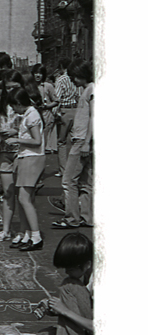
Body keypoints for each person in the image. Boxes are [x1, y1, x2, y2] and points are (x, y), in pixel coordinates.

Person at [36, 232, 93, 335]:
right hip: (89, 331)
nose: (67, 272)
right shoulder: (86, 274)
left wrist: (64, 310)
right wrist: (53, 308)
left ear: (87, 264)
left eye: (71, 268)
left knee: (69, 285)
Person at [52, 61, 93, 229]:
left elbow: (94, 117)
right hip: (84, 139)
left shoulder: (91, 90)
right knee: (85, 182)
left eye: (74, 77)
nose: (73, 81)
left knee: (68, 180)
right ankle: (87, 217)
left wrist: (86, 143)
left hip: (82, 140)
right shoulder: (88, 90)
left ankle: (71, 218)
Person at [5, 86, 45, 251]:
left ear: (19, 103)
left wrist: (17, 140)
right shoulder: (28, 115)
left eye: (14, 105)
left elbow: (37, 140)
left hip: (32, 157)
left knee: (24, 199)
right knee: (24, 199)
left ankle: (36, 236)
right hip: (26, 157)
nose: (13, 109)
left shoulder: (32, 116)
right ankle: (27, 232)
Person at [54, 57, 80, 177]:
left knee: (61, 142)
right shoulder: (76, 78)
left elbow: (57, 98)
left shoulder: (60, 79)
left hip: (64, 110)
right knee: (75, 140)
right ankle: (75, 169)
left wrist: (55, 112)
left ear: (61, 67)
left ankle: (64, 170)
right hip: (76, 109)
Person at [32, 63, 58, 154]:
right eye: (36, 73)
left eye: (40, 73)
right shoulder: (30, 86)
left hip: (46, 115)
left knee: (43, 140)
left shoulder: (48, 86)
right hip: (33, 114)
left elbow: (56, 101)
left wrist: (47, 106)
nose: (38, 75)